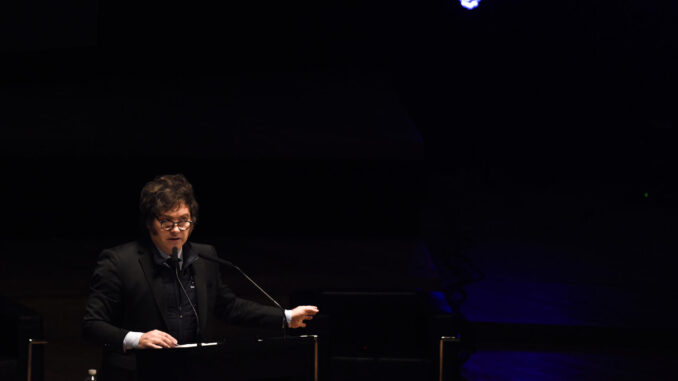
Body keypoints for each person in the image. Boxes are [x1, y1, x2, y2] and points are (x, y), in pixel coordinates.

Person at [83, 174, 319, 381]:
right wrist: (137, 339)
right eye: (166, 221)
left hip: (193, 371)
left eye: (183, 220)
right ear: (149, 223)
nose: (176, 229)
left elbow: (229, 306)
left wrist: (286, 317)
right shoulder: (118, 261)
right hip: (137, 373)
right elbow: (92, 324)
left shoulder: (204, 257)